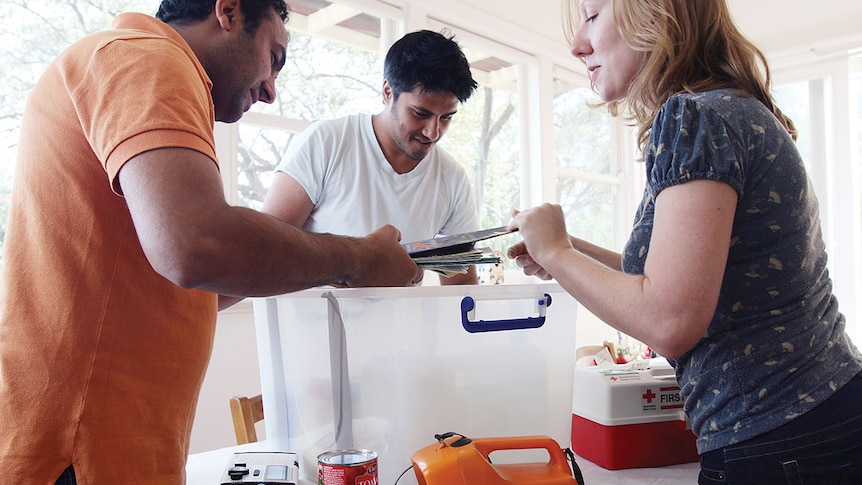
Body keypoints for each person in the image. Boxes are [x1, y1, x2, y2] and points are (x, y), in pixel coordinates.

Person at [0, 0, 423, 483]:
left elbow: (195, 282)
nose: (270, 91)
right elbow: (196, 244)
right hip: (81, 448)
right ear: (228, 11)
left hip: (104, 444)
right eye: (274, 57)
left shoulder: (141, 69)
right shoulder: (146, 57)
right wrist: (357, 258)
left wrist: (312, 264)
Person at [507, 0, 862, 483]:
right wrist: (569, 252)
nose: (576, 45)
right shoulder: (731, 108)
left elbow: (669, 318)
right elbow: (664, 282)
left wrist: (557, 252)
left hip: (779, 437)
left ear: (656, 15)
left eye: (593, 16)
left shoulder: (695, 116)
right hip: (819, 418)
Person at [262, 29, 481, 286]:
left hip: (401, 327)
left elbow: (462, 290)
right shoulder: (326, 142)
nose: (433, 132)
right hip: (315, 325)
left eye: (447, 117)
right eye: (420, 113)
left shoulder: (452, 179)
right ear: (388, 92)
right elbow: (265, 251)